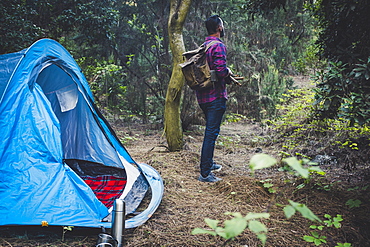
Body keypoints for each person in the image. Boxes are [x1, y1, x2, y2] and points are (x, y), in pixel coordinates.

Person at [196, 15, 231, 183]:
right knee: (211, 134)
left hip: (203, 97)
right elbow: (221, 71)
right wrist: (228, 72)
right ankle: (205, 173)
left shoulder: (204, 46)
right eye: (222, 25)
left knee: (210, 132)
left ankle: (208, 163)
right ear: (219, 28)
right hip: (215, 97)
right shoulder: (218, 46)